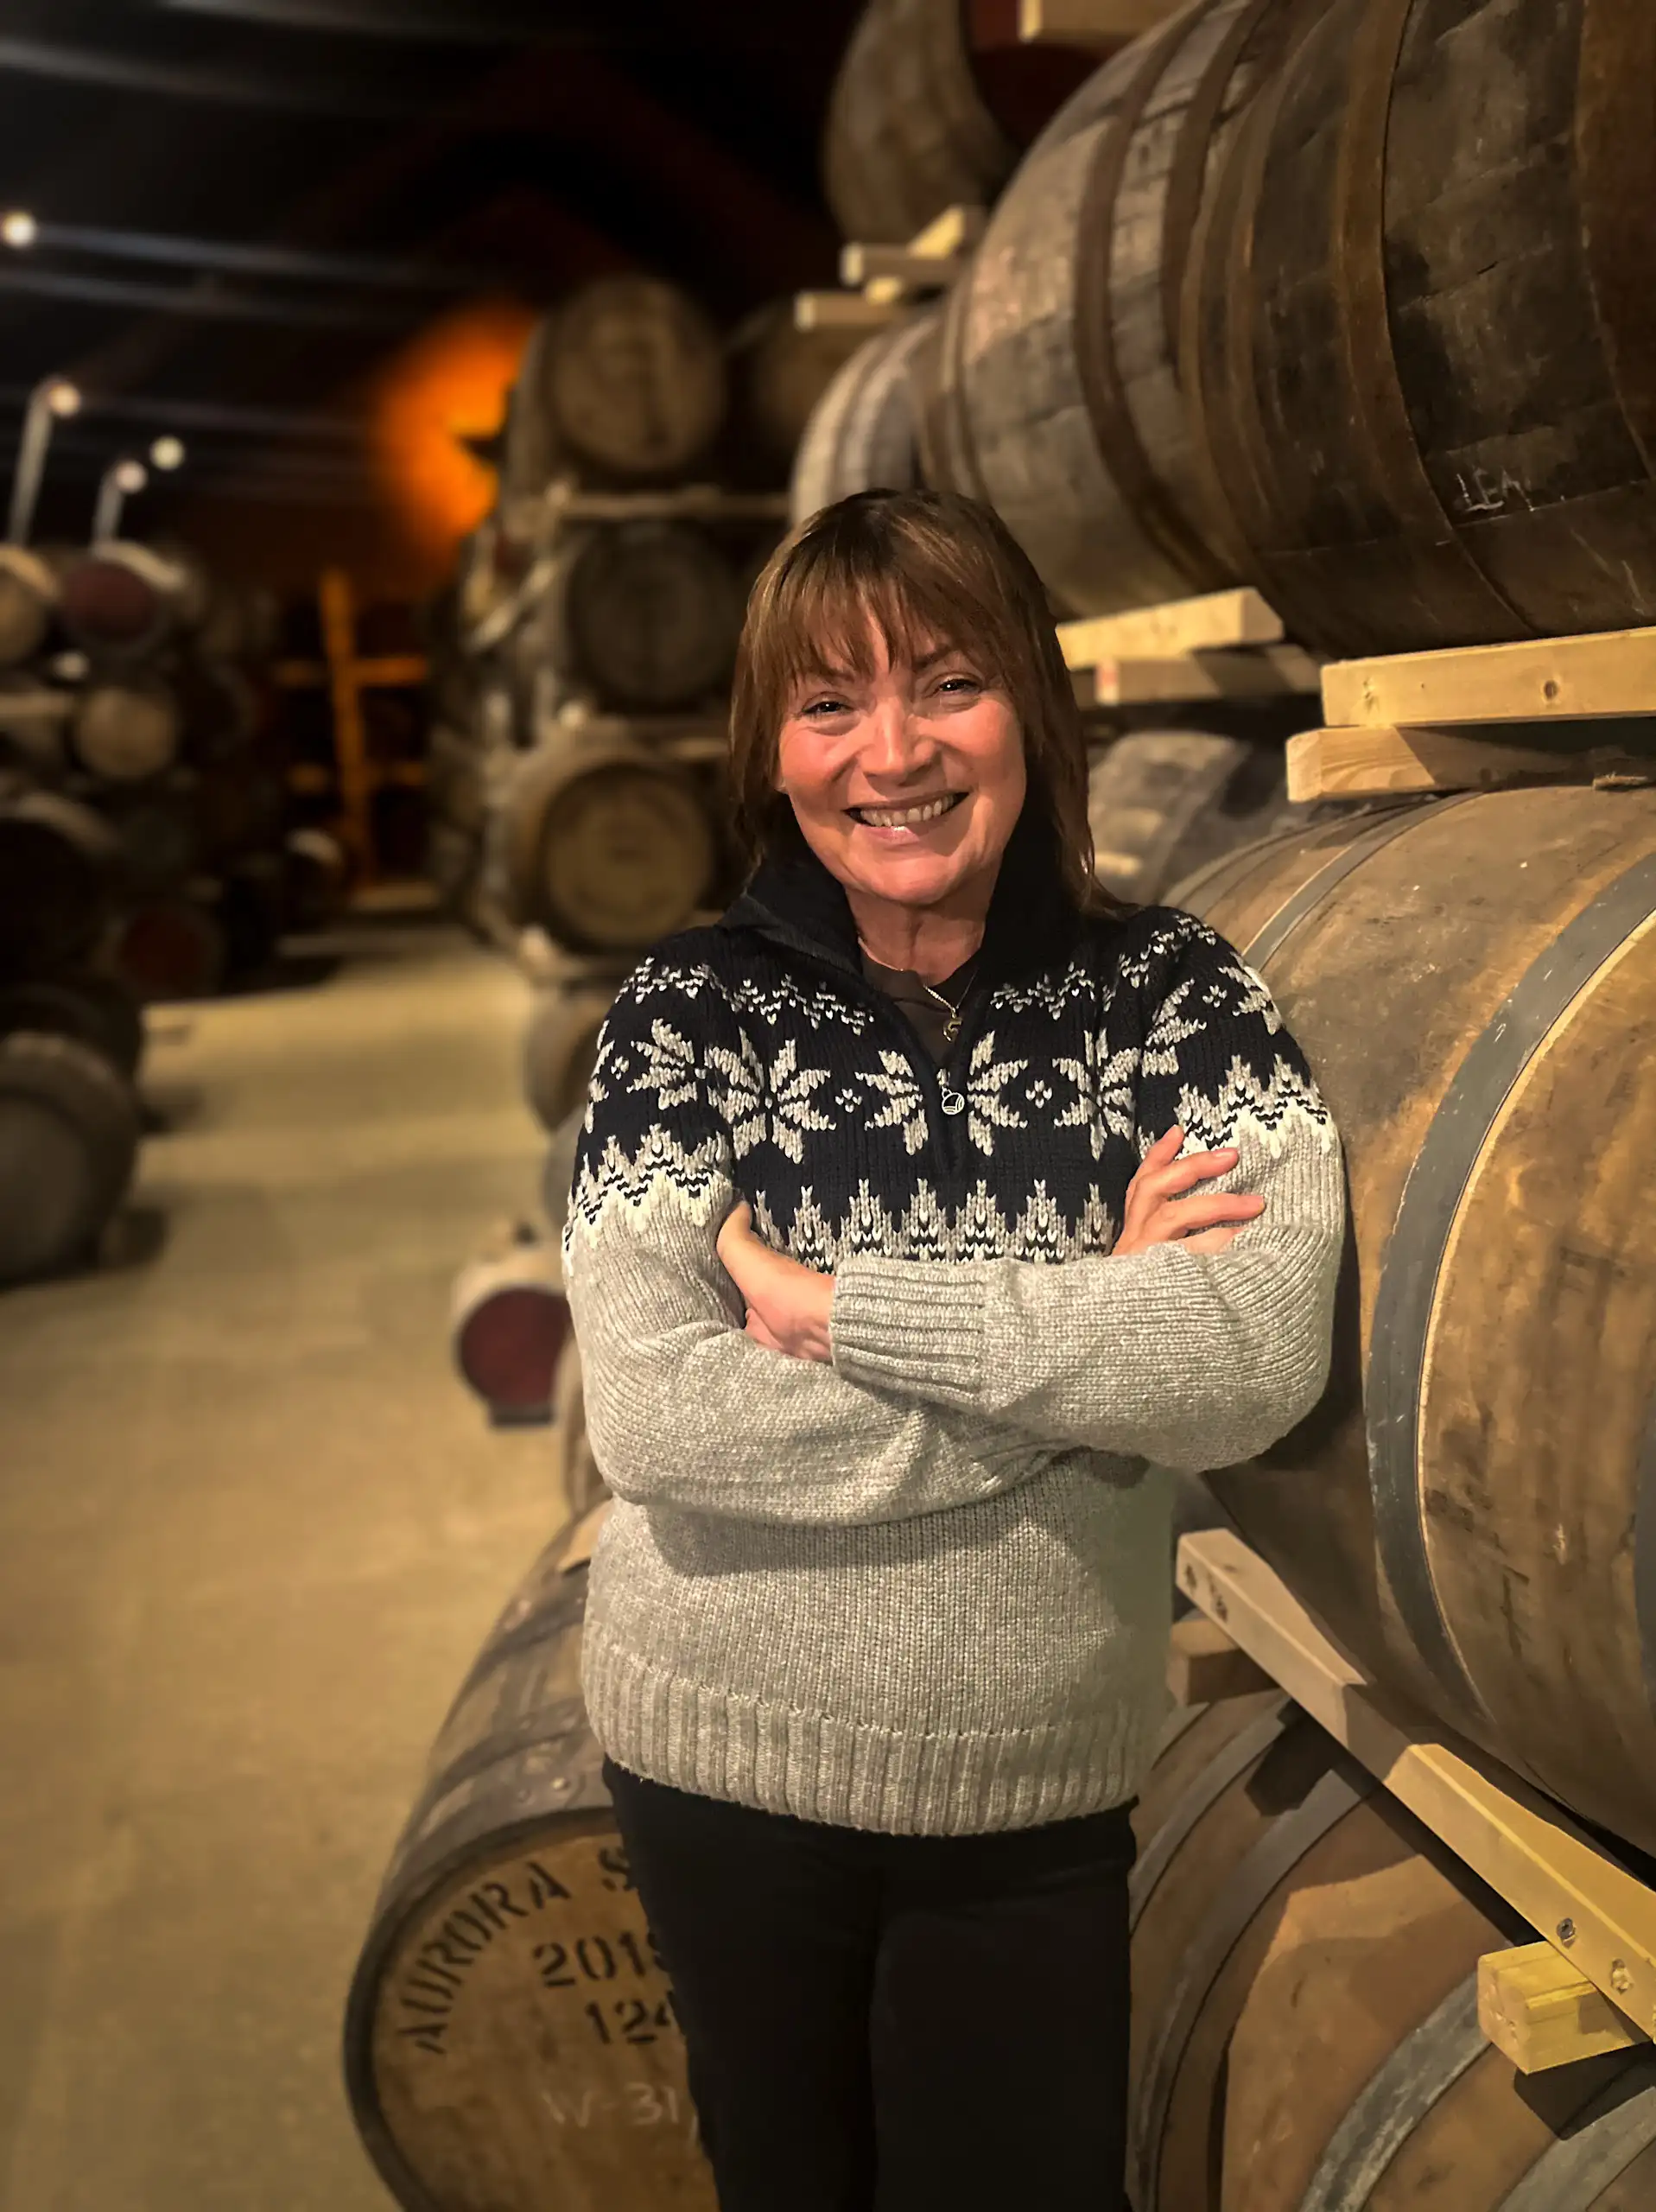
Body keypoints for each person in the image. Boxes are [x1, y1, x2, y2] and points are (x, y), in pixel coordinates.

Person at [562, 489, 1344, 2211]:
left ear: (1035, 712)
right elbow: (661, 1413)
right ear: (772, 749)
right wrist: (1084, 1380)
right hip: (719, 1752)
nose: (893, 751)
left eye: (948, 682)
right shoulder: (681, 1015)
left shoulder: (1178, 997)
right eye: (829, 702)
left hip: (1031, 1784)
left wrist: (836, 1310)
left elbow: (1253, 1352)